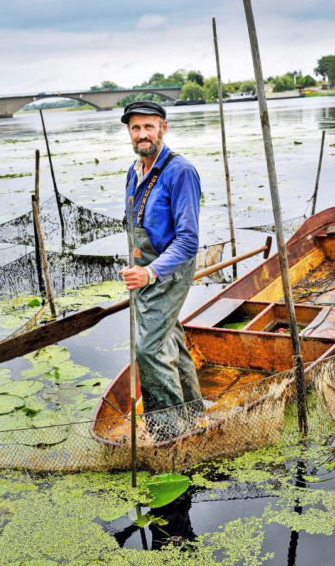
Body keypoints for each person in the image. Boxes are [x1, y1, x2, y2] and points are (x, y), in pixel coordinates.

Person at [119, 100, 203, 440]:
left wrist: (150, 273)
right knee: (170, 338)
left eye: (149, 127)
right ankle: (195, 412)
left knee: (149, 349)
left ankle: (168, 433)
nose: (142, 134)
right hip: (144, 270)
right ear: (129, 131)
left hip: (170, 271)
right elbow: (135, 226)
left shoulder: (180, 172)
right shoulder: (133, 170)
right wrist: (136, 267)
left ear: (163, 128)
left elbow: (187, 242)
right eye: (135, 128)